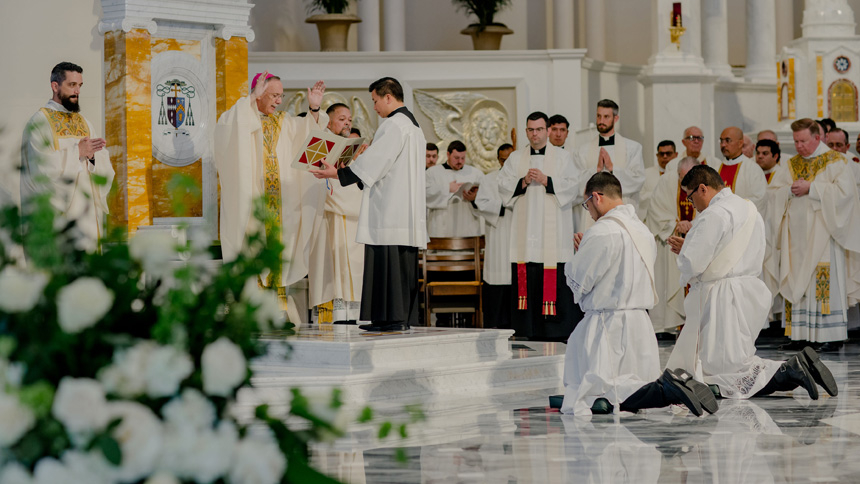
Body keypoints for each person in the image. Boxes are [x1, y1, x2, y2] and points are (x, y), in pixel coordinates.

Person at [667, 165, 837, 400]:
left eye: (690, 195)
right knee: (736, 361)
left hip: (721, 296)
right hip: (748, 289)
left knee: (722, 372)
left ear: (703, 189)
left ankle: (791, 370)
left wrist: (684, 252)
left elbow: (693, 264)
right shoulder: (748, 208)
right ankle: (798, 367)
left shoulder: (713, 215)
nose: (691, 202)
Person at [553, 172, 717, 416]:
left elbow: (580, 280)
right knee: (634, 384)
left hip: (609, 324)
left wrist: (579, 253)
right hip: (640, 323)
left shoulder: (601, 232)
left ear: (596, 197)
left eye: (587, 204)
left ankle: (668, 390)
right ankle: (669, 388)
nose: (588, 211)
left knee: (605, 391)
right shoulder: (641, 230)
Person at [310, 77, 427, 332]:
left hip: (389, 212)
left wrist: (338, 174)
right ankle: (401, 318)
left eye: (375, 100)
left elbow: (376, 162)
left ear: (388, 97)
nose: (374, 107)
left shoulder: (393, 125)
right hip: (405, 212)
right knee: (401, 268)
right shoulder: (414, 127)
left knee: (387, 265)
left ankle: (389, 319)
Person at [215, 71, 328, 323]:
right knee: (252, 249)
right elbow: (227, 132)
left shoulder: (285, 122)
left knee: (277, 253)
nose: (279, 101)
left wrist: (313, 109)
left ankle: (276, 310)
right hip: (253, 203)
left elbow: (308, 136)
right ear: (258, 93)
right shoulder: (241, 116)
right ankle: (252, 310)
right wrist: (249, 101)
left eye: (281, 95)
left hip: (281, 204)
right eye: (274, 95)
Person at [767, 118, 860, 352]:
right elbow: (773, 193)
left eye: (803, 141)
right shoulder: (791, 164)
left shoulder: (836, 162)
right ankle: (799, 335)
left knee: (822, 282)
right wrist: (788, 190)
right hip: (795, 239)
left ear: (817, 138)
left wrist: (813, 188)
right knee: (797, 281)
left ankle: (830, 335)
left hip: (823, 237)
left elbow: (846, 195)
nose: (798, 146)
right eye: (796, 141)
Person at [497, 111, 583, 341]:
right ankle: (527, 330)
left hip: (553, 238)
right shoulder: (516, 159)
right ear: (526, 131)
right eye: (530, 130)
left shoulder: (563, 158)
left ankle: (556, 330)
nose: (534, 134)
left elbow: (574, 187)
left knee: (554, 279)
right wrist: (523, 181)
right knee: (527, 275)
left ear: (547, 130)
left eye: (539, 129)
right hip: (526, 236)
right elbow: (502, 185)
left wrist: (548, 181)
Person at [21, 62, 115, 251]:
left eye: (80, 85)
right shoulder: (39, 122)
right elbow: (40, 171)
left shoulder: (84, 122)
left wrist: (93, 158)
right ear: (55, 86)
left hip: (87, 221)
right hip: (57, 220)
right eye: (72, 85)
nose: (77, 91)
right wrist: (77, 153)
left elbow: (103, 169)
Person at [308, 103, 366, 324]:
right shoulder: (320, 143)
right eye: (342, 119)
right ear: (329, 121)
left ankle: (355, 313)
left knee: (354, 263)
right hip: (329, 212)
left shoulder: (352, 149)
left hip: (351, 211)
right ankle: (335, 311)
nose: (347, 123)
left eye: (349, 119)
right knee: (333, 265)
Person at [645, 156, 700, 334]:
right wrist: (675, 224)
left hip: (697, 242)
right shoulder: (666, 181)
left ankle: (695, 326)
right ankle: (669, 325)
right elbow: (655, 209)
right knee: (669, 282)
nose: (684, 182)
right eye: (681, 176)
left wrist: (694, 223)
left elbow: (713, 210)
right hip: (670, 241)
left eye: (688, 177)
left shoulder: (703, 183)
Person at [576, 99, 645, 231]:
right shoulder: (583, 151)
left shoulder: (632, 148)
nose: (601, 121)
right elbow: (576, 183)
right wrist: (595, 170)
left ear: (616, 118)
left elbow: (638, 179)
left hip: (621, 211)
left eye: (606, 116)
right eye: (598, 116)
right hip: (591, 213)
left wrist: (613, 169)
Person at [474, 144, 515, 329]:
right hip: (498, 232)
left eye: (510, 159)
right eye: (503, 160)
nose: (506, 163)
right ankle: (495, 322)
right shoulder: (489, 179)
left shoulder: (522, 179)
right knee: (498, 276)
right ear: (498, 160)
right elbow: (480, 202)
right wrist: (502, 206)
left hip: (516, 233)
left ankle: (516, 323)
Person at [425, 140, 484, 237]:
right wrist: (447, 188)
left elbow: (486, 197)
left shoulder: (476, 174)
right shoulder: (432, 173)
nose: (460, 161)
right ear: (448, 154)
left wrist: (474, 198)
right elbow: (424, 195)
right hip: (441, 228)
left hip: (468, 227)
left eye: (463, 158)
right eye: (456, 158)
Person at [715, 126, 767, 211]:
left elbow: (760, 199)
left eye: (727, 140)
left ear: (740, 143)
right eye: (721, 141)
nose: (723, 145)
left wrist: (733, 209)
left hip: (741, 222)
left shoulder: (753, 169)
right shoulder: (715, 170)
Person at [638, 140, 677, 221]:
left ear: (676, 155)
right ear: (657, 155)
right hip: (653, 219)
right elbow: (640, 197)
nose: (665, 156)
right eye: (661, 154)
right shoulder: (646, 174)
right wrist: (658, 194)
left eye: (668, 153)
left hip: (675, 218)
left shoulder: (680, 174)